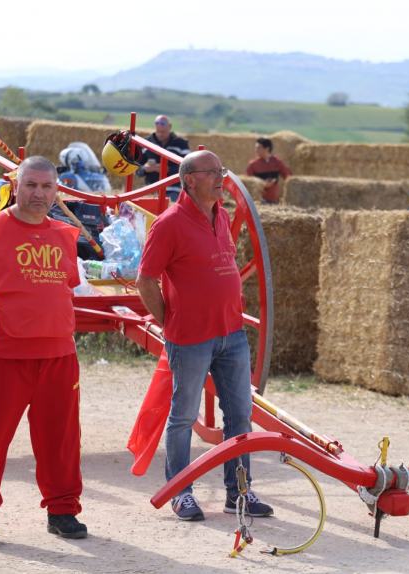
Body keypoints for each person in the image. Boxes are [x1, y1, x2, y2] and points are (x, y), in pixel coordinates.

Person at [0, 156, 87, 546]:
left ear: (57, 190)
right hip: (3, 355)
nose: (39, 194)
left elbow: (63, 290)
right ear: (16, 185)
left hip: (60, 354)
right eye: (31, 185)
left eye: (47, 187)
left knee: (61, 438)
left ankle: (63, 511)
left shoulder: (65, 235)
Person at [135, 150, 274, 522]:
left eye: (222, 171)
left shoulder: (222, 215)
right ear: (190, 179)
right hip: (191, 338)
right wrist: (171, 322)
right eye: (213, 172)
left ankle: (239, 493)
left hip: (232, 335)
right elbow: (145, 280)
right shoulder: (168, 224)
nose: (221, 178)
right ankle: (181, 492)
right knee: (182, 416)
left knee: (240, 416)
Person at [138, 115, 190, 201]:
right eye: (157, 123)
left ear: (170, 126)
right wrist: (145, 169)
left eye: (163, 123)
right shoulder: (145, 143)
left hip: (173, 190)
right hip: (150, 190)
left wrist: (167, 169)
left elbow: (188, 168)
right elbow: (136, 169)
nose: (159, 125)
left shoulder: (181, 143)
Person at [246, 137, 293, 204]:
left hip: (275, 201)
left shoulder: (277, 162)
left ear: (267, 149)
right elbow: (248, 184)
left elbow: (288, 177)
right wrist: (262, 185)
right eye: (256, 148)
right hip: (259, 202)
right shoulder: (252, 165)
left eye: (258, 148)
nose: (256, 150)